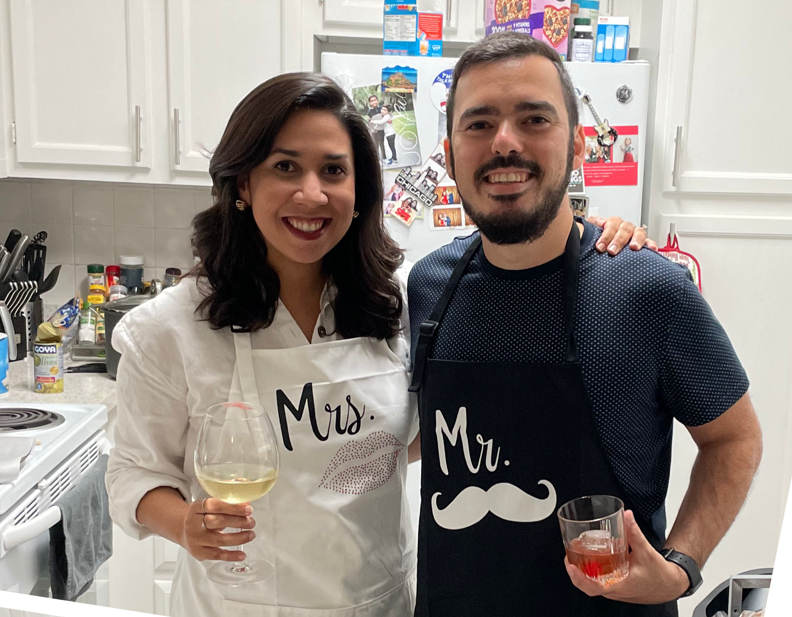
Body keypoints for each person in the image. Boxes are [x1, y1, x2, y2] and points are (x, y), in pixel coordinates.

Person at [106, 71, 650, 617]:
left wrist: (585, 238)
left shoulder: (402, 302)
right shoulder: (171, 327)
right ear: (243, 184)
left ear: (359, 191)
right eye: (285, 167)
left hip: (379, 604)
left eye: (334, 171)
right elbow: (134, 474)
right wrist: (184, 524)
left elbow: (417, 432)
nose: (312, 193)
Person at [407, 32, 762, 617]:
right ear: (449, 155)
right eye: (478, 124)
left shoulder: (646, 288)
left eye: (534, 119)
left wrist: (680, 569)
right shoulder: (428, 285)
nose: (504, 143)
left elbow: (735, 438)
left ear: (576, 146)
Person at [366, 94, 387, 162]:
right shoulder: (369, 112)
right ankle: (377, 160)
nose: (374, 102)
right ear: (370, 103)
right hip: (374, 132)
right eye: (372, 101)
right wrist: (371, 130)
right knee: (376, 145)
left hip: (381, 130)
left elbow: (385, 117)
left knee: (382, 144)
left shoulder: (381, 109)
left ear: (377, 101)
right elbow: (368, 122)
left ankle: (384, 158)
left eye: (375, 100)